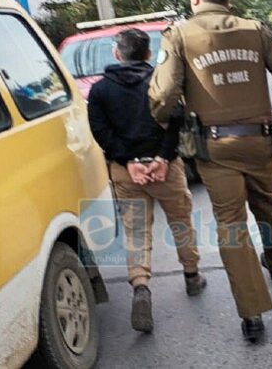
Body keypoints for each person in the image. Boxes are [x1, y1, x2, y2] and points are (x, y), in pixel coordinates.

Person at [149, 0, 272, 342]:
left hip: (215, 148)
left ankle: (252, 314)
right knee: (267, 203)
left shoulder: (179, 36)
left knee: (231, 224)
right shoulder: (256, 30)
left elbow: (163, 95)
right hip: (261, 141)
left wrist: (162, 119)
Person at [87, 28, 206, 334]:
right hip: (165, 168)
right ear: (148, 55)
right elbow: (177, 120)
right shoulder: (160, 82)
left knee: (136, 231)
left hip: (127, 173)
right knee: (181, 222)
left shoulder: (100, 91)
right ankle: (192, 276)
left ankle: (141, 285)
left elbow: (101, 132)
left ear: (117, 54)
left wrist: (128, 162)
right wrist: (162, 159)